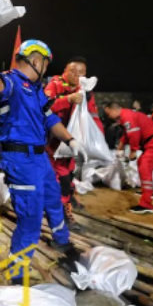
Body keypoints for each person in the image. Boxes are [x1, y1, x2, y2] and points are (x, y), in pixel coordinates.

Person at [0, 39, 87, 280]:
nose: (46, 69)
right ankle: (17, 272)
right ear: (37, 60)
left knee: (54, 199)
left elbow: (50, 119)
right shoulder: (11, 81)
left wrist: (70, 140)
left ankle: (61, 240)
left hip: (40, 158)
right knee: (30, 220)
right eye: (45, 64)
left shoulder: (36, 91)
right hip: (20, 160)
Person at [44, 56, 104, 231]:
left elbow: (92, 115)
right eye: (73, 71)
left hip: (72, 141)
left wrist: (97, 139)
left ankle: (68, 201)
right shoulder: (54, 85)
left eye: (81, 72)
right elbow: (44, 108)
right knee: (61, 178)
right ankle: (62, 216)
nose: (77, 75)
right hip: (53, 142)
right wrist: (67, 99)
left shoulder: (85, 90)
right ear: (65, 70)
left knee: (69, 175)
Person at [103, 102, 153, 215]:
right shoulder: (126, 116)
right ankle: (147, 192)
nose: (109, 117)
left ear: (114, 110)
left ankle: (146, 204)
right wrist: (120, 148)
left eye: (108, 113)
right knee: (142, 164)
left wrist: (133, 151)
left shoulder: (127, 117)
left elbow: (133, 134)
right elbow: (126, 135)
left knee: (145, 167)